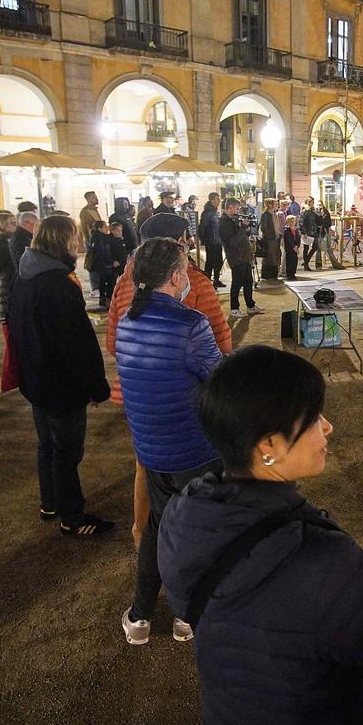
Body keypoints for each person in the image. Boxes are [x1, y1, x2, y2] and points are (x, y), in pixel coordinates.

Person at [157, 345, 363, 725]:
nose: (327, 428)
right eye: (312, 420)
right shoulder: (327, 558)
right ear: (267, 445)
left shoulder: (184, 514)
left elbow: (190, 604)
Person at [116, 238, 224, 646]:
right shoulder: (190, 324)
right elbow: (220, 378)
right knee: (195, 533)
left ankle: (141, 615)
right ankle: (185, 616)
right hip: (194, 450)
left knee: (157, 529)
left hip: (151, 448)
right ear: (176, 276)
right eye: (185, 269)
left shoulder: (128, 319)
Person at [8, 215, 114, 536]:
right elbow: (77, 345)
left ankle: (50, 501)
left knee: (47, 445)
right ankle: (72, 515)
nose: (79, 242)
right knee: (68, 451)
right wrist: (96, 387)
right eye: (74, 237)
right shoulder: (57, 284)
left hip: (36, 378)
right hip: (60, 384)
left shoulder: (26, 276)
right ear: (62, 241)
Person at [219, 197, 263, 318]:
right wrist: (242, 228)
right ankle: (234, 308)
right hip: (236, 256)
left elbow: (241, 236)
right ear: (230, 207)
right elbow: (233, 241)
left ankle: (250, 305)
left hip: (243, 255)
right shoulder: (224, 223)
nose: (238, 211)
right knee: (237, 283)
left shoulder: (232, 220)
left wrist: (245, 228)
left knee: (248, 281)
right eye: (237, 208)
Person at [88, 220, 127, 309]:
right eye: (105, 227)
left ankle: (105, 299)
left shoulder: (103, 238)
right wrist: (112, 261)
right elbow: (104, 252)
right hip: (108, 265)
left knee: (105, 281)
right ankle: (109, 300)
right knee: (109, 282)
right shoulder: (103, 239)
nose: (107, 228)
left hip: (108, 264)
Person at [259, 199, 281, 282]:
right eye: (275, 204)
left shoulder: (274, 214)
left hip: (275, 238)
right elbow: (263, 227)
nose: (276, 206)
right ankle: (267, 275)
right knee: (269, 257)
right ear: (270, 205)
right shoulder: (266, 214)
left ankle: (273, 274)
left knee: (274, 257)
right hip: (269, 239)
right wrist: (269, 236)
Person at [317, 202, 344, 269]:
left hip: (324, 233)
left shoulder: (325, 213)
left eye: (320, 205)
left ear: (323, 205)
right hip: (319, 233)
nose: (319, 206)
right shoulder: (316, 212)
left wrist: (321, 221)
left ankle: (336, 264)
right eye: (317, 205)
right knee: (319, 249)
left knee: (327, 249)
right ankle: (319, 265)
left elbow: (327, 223)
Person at [301, 197, 321, 271]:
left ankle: (306, 262)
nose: (313, 203)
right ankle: (306, 265)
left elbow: (317, 220)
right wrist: (303, 232)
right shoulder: (305, 211)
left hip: (313, 232)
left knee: (315, 247)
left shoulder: (312, 211)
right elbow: (301, 222)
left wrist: (319, 214)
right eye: (312, 202)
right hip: (307, 232)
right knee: (306, 249)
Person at [282, 214, 301, 280]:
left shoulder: (296, 230)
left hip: (295, 248)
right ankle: (289, 274)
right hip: (290, 248)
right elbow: (289, 239)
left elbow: (298, 238)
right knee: (289, 261)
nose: (292, 223)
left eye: (293, 221)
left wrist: (297, 245)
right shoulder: (286, 230)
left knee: (295, 261)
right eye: (290, 222)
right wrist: (293, 246)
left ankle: (293, 273)